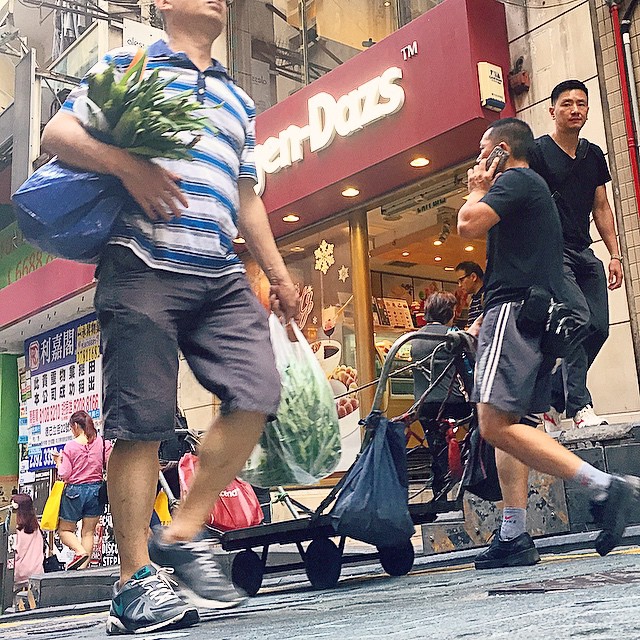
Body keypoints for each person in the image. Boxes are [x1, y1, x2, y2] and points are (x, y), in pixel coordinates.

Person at [41, 0, 298, 634]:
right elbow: (56, 135)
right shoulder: (131, 64)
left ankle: (182, 531)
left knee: (259, 389)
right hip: (142, 265)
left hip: (218, 274)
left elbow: (246, 195)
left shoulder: (239, 100)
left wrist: (282, 277)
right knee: (142, 422)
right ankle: (132, 586)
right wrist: (131, 166)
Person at [457, 117, 638, 570]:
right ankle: (515, 534)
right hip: (531, 314)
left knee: (493, 424)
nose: (478, 160)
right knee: (513, 428)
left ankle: (603, 485)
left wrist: (478, 186)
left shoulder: (515, 179)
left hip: (515, 314)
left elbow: (467, 224)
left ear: (501, 150)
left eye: (484, 151)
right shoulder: (530, 188)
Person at [529, 79, 623, 430]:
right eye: (566, 103)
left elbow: (601, 206)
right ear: (552, 110)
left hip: (584, 252)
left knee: (598, 327)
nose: (575, 110)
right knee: (578, 319)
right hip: (553, 254)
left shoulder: (592, 154)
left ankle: (553, 399)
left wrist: (614, 254)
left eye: (581, 104)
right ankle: (580, 407)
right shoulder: (537, 153)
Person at [411, 292, 471, 499]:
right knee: (481, 426)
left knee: (436, 448)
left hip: (424, 405)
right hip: (452, 403)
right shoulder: (452, 335)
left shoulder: (415, 338)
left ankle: (439, 494)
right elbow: (468, 370)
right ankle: (470, 477)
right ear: (451, 312)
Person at [53, 410, 112, 571]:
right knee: (88, 532)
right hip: (96, 490)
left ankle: (80, 552)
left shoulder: (70, 446)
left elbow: (65, 474)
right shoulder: (102, 443)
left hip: (75, 491)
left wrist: (59, 462)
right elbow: (109, 463)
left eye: (72, 427)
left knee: (65, 530)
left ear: (77, 426)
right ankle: (82, 568)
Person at [9, 494, 44, 593]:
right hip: (37, 572)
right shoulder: (37, 527)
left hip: (18, 574)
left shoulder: (15, 530)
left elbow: (14, 552)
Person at [454, 261, 485, 328]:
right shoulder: (473, 300)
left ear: (473, 277)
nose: (459, 285)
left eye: (461, 280)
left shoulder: (486, 297)